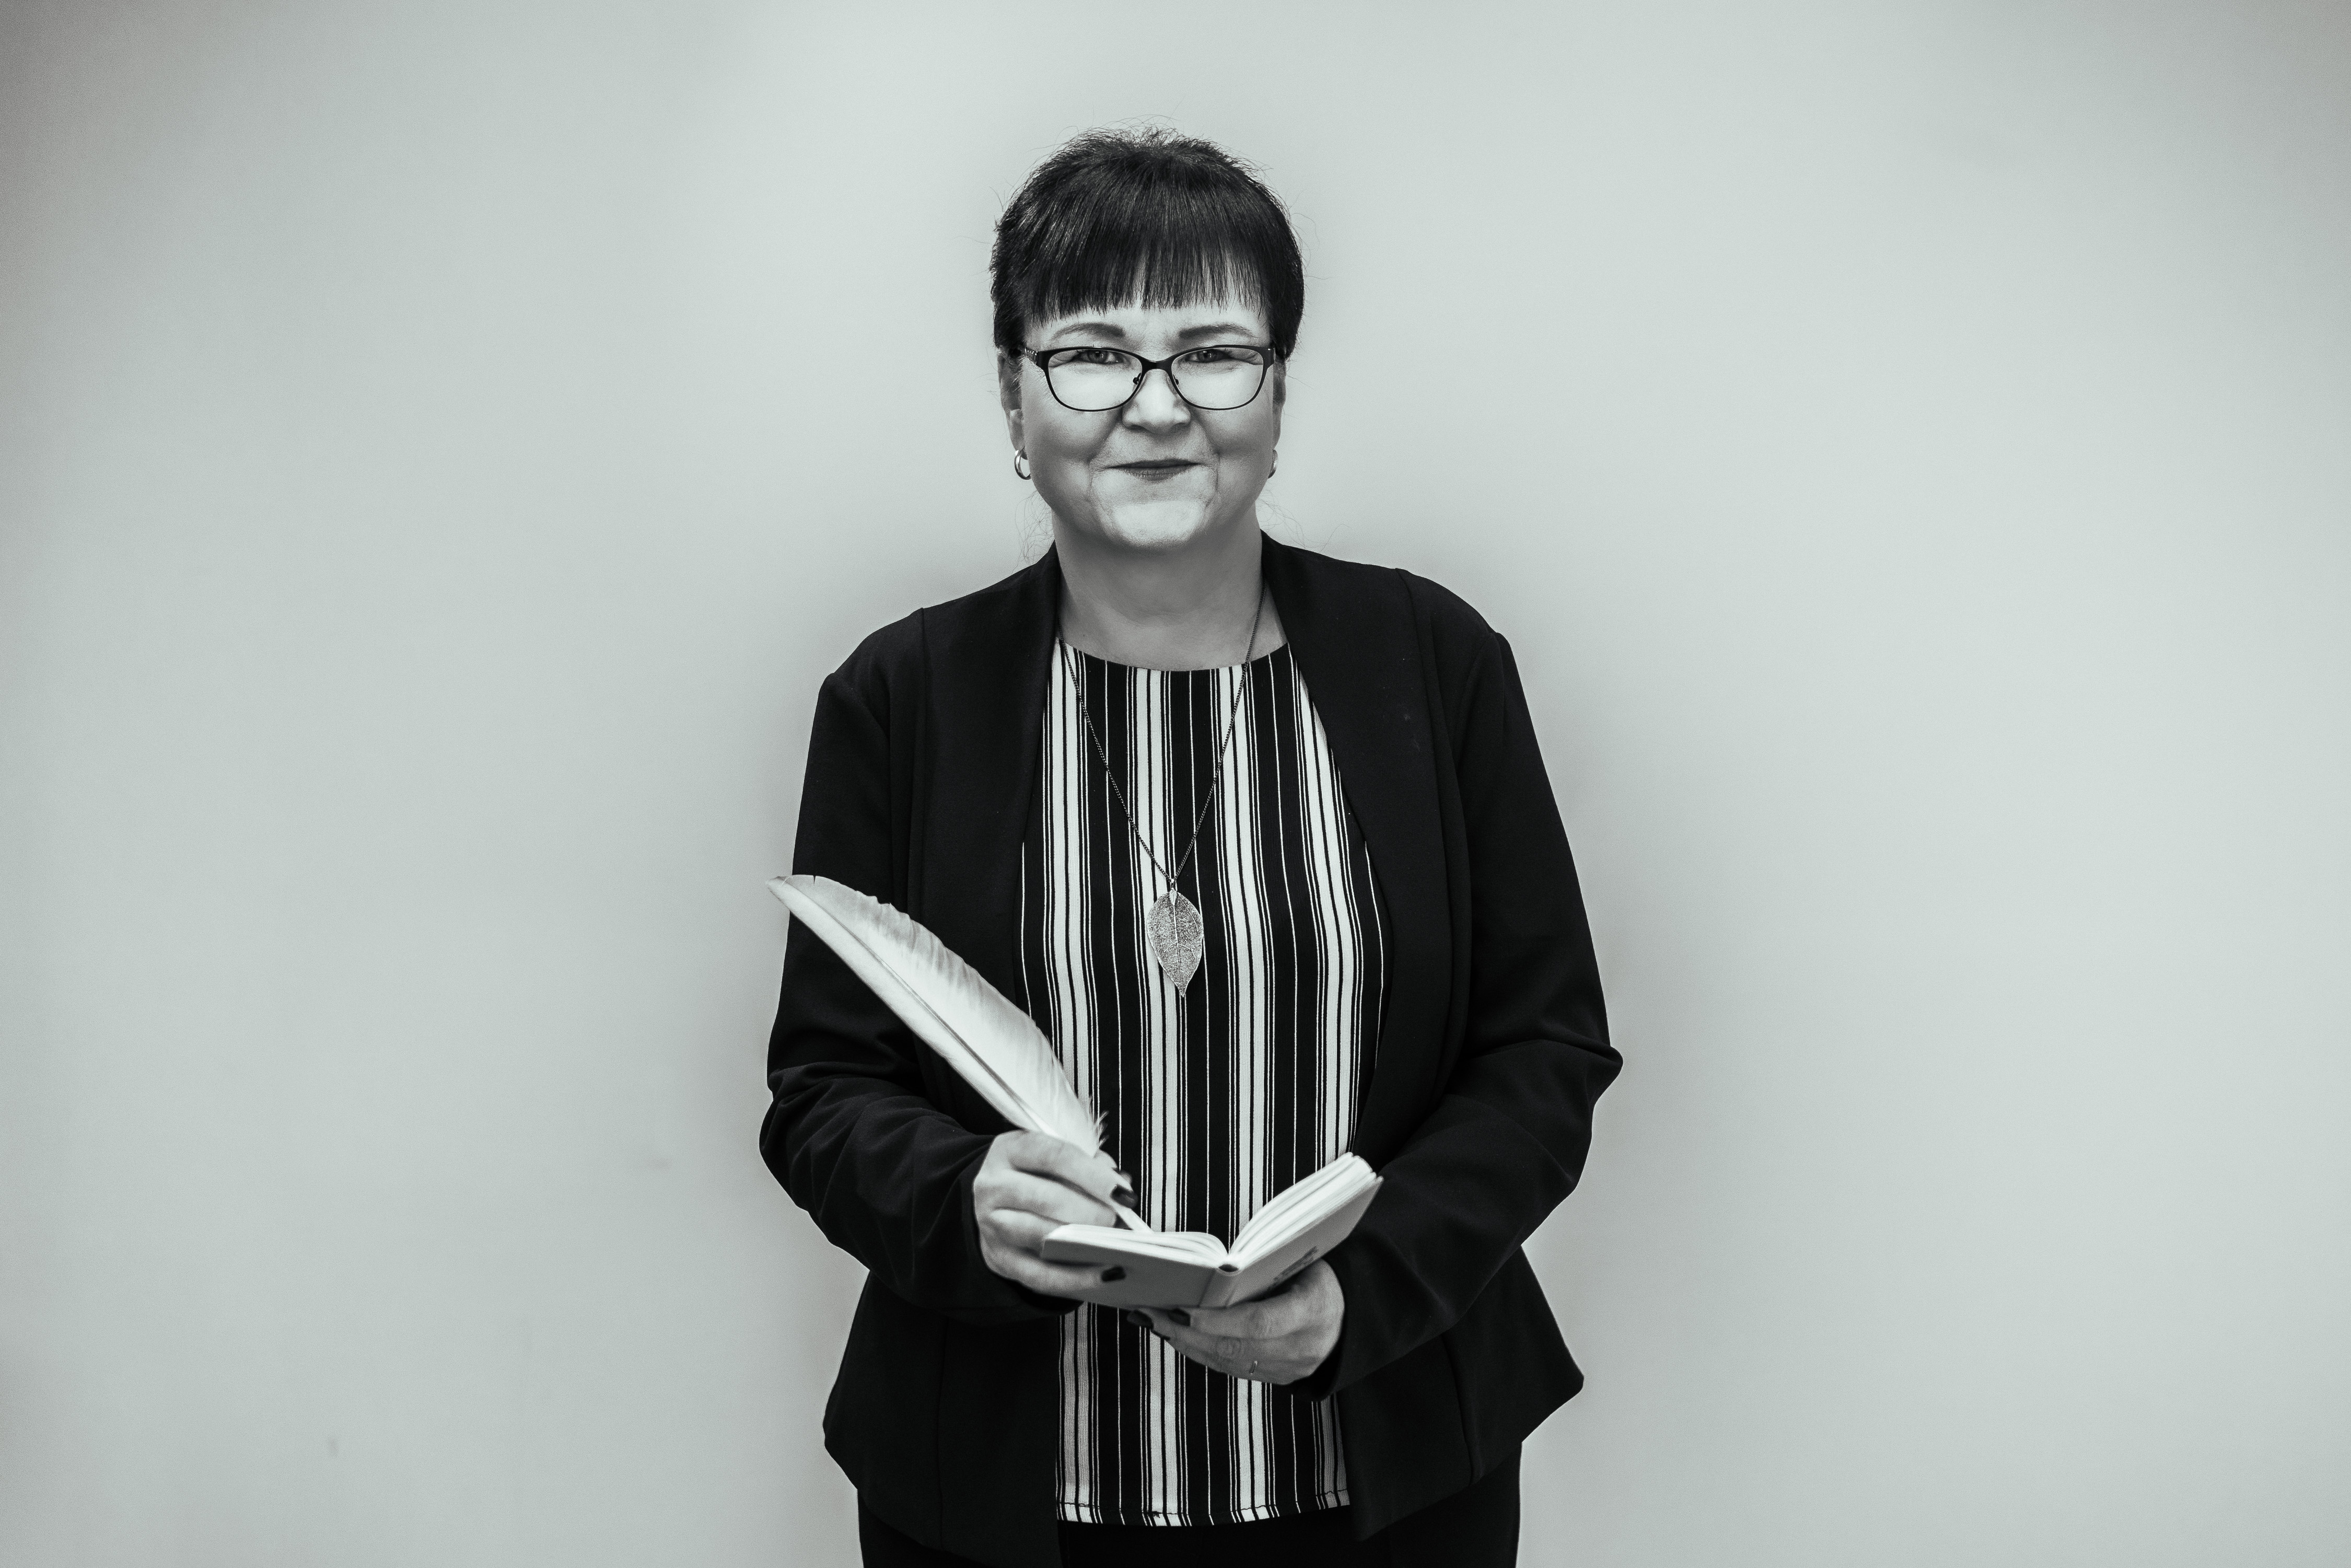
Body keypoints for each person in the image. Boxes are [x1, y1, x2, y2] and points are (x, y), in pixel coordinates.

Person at [763, 128, 1619, 1568]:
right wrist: (959, 1202)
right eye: (1093, 354)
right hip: (1001, 1497)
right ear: (1012, 396)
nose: (1157, 408)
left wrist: (1364, 1292)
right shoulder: (901, 698)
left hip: (1391, 1478)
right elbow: (822, 1091)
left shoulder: (1435, 661)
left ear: (1278, 395)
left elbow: (1543, 1052)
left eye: (1215, 354)